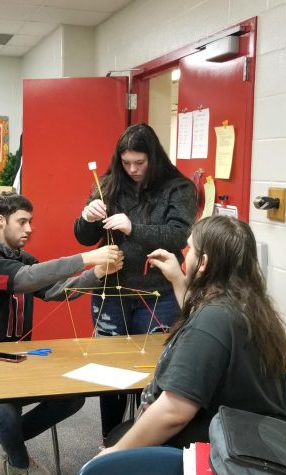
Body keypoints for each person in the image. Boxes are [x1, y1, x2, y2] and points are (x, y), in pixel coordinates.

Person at [0, 191, 123, 475]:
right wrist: (87, 257)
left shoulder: (21, 257)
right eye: (22, 222)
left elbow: (54, 290)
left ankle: (1, 443)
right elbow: (25, 279)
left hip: (14, 361)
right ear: (1, 221)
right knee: (5, 414)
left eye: (30, 221)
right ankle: (19, 464)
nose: (29, 229)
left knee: (72, 397)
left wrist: (97, 274)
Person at [96, 215, 286, 459]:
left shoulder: (215, 319)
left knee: (117, 441)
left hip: (215, 450)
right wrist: (178, 278)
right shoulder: (248, 307)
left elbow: (173, 413)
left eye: (189, 248)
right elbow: (202, 321)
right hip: (250, 437)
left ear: (203, 263)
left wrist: (114, 453)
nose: (185, 254)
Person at [74, 123, 197, 441]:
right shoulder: (109, 183)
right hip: (111, 292)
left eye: (139, 163)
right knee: (109, 372)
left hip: (158, 293)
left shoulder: (178, 188)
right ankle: (108, 440)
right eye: (126, 163)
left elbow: (178, 235)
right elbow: (84, 237)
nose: (132, 170)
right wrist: (86, 218)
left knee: (156, 370)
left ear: (153, 158)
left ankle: (147, 440)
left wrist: (133, 227)